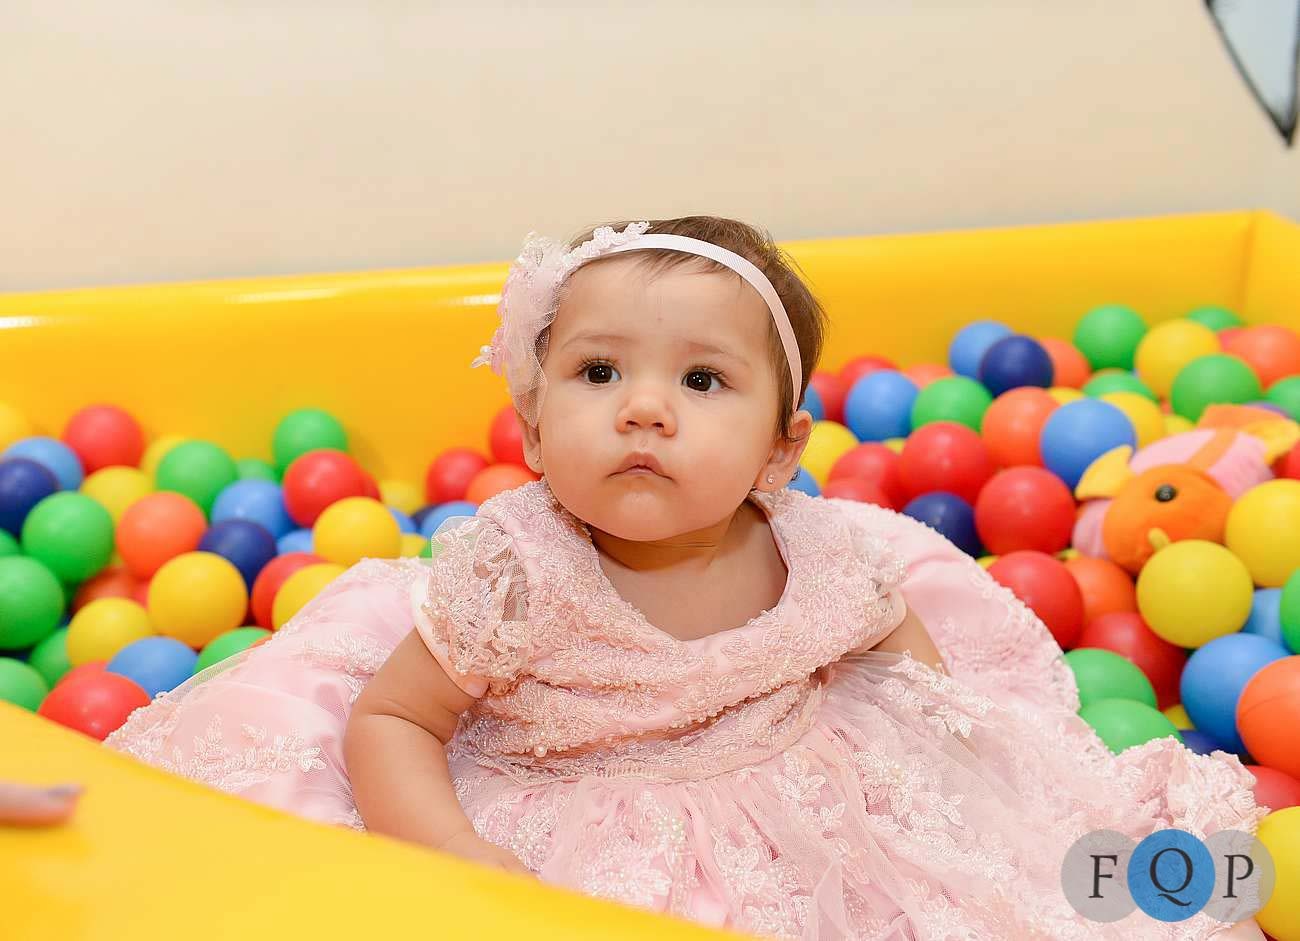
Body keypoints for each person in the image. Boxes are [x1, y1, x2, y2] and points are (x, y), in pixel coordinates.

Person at [106, 217, 1267, 939]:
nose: (645, 407)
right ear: (531, 426)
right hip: (592, 808)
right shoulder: (518, 574)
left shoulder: (817, 547)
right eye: (598, 371)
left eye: (702, 381)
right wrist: (454, 853)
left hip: (808, 791)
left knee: (1018, 887)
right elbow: (396, 718)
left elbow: (895, 650)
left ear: (779, 450)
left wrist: (967, 761)